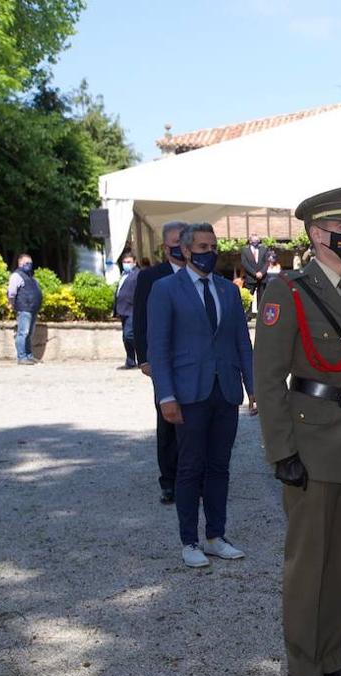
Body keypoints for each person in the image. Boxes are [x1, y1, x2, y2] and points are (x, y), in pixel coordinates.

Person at [253, 187, 341, 676]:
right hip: (310, 440)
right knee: (308, 562)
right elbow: (268, 379)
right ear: (317, 234)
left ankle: (333, 658)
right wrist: (281, 451)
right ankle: (302, 666)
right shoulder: (288, 290)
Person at [147, 223, 256, 569]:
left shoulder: (228, 290)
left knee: (220, 467)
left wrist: (253, 388)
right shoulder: (165, 289)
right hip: (187, 393)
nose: (210, 252)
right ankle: (189, 540)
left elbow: (242, 342)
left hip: (225, 391)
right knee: (190, 468)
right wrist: (165, 395)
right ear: (186, 249)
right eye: (203, 246)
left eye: (214, 246)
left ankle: (216, 536)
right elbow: (158, 348)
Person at [134, 221, 189, 505]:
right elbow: (141, 319)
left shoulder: (200, 274)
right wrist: (143, 358)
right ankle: (169, 481)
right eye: (174, 243)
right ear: (165, 248)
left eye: (183, 241)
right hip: (163, 360)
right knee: (167, 420)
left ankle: (192, 477)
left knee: (195, 419)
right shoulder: (151, 277)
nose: (179, 247)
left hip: (194, 361)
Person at [6, 254, 43, 365]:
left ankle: (29, 356)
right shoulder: (16, 276)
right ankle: (22, 357)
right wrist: (12, 304)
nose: (29, 265)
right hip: (24, 308)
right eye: (27, 262)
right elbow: (12, 292)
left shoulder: (31, 277)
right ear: (20, 263)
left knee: (29, 334)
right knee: (23, 333)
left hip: (32, 309)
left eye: (30, 263)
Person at [114, 254, 140, 369]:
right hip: (123, 310)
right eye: (124, 262)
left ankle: (143, 356)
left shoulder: (137, 274)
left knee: (129, 335)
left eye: (129, 262)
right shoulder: (123, 275)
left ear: (134, 262)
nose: (126, 264)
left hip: (132, 309)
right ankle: (130, 361)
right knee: (125, 337)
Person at [240, 235, 267, 300]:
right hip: (250, 278)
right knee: (248, 299)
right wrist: (255, 273)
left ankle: (260, 310)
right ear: (250, 241)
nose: (256, 242)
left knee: (262, 300)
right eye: (254, 240)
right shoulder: (244, 250)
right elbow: (244, 263)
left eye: (258, 241)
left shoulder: (264, 249)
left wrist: (261, 273)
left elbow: (267, 262)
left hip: (262, 278)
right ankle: (248, 311)